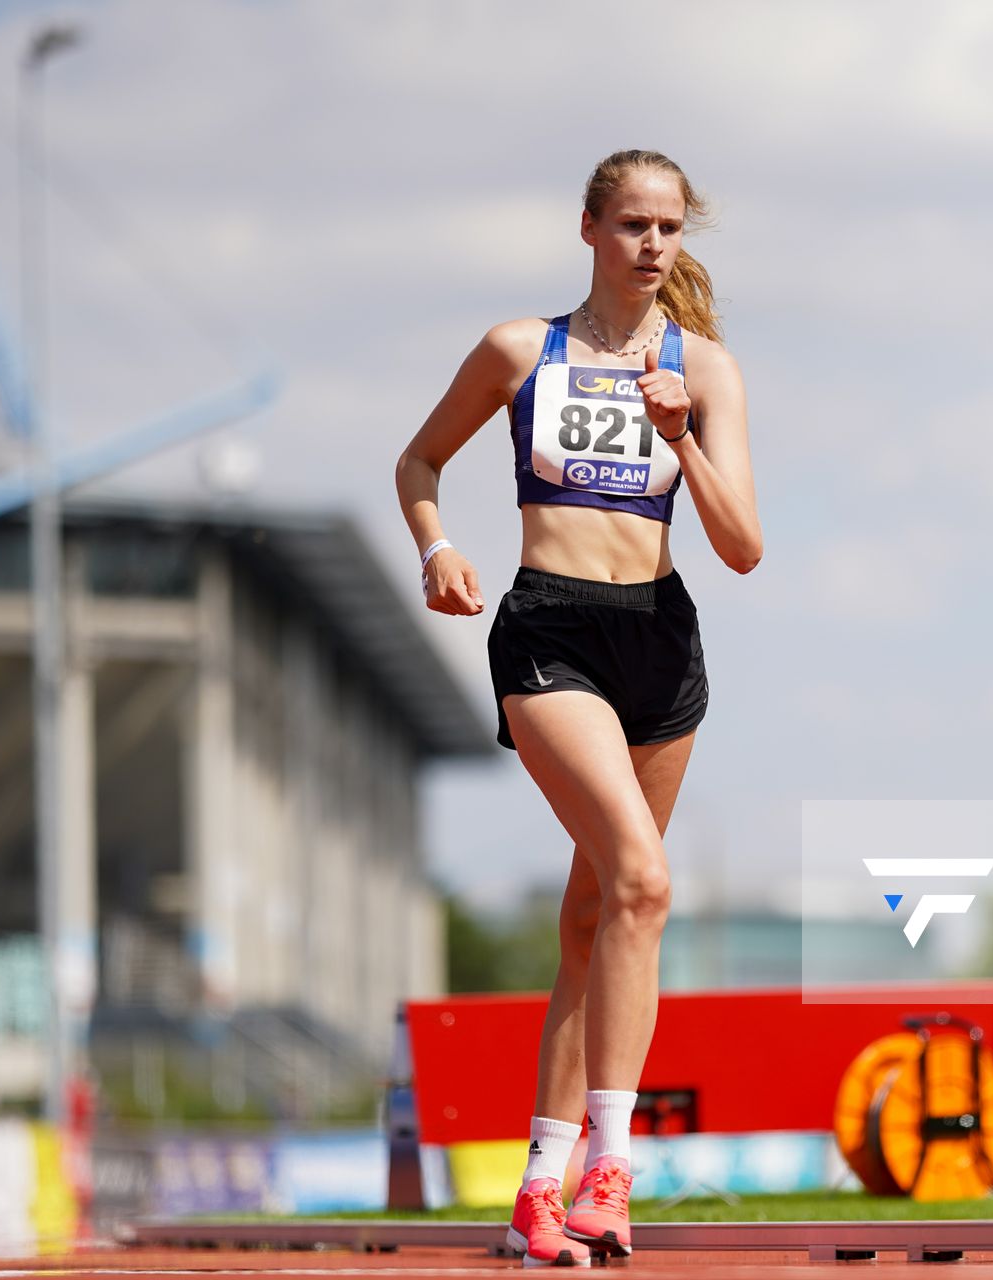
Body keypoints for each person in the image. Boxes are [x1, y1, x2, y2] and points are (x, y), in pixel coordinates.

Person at [396, 150, 761, 1267]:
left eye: (670, 227)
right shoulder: (521, 350)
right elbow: (418, 459)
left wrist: (681, 432)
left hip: (660, 640)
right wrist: (440, 547)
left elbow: (743, 546)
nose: (654, 243)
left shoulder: (704, 368)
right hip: (549, 632)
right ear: (592, 229)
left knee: (595, 916)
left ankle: (538, 1187)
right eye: (634, 223)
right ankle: (612, 1167)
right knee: (645, 878)